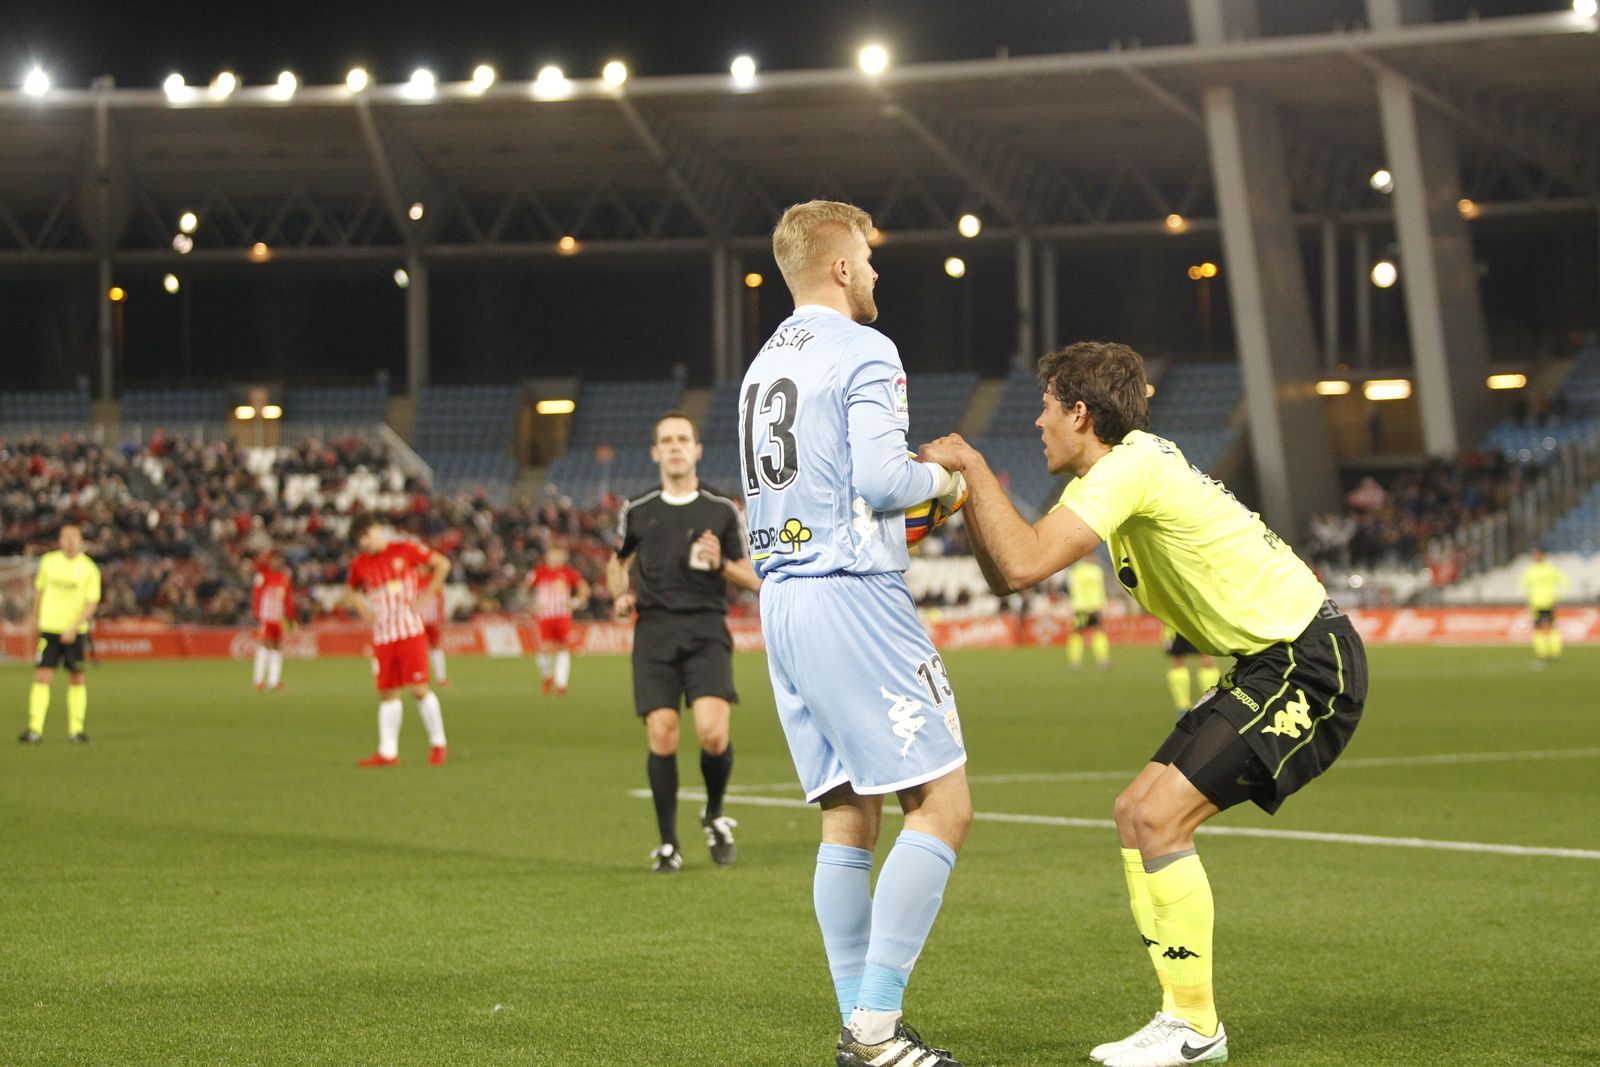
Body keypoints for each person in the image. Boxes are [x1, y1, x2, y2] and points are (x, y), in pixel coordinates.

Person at [920, 341, 1367, 1067]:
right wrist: (971, 498)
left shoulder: (1126, 468)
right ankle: (1179, 1015)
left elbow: (1026, 559)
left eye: (1045, 407)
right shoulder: (1126, 465)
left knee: (1159, 816)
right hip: (1267, 662)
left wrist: (971, 466)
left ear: (1080, 412)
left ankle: (1196, 1025)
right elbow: (1008, 576)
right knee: (1135, 811)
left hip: (1309, 663)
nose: (1036, 423)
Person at [744, 200, 973, 1067]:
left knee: (849, 816)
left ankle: (859, 1028)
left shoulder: (764, 363)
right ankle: (876, 1027)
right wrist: (945, 480)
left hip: (784, 603)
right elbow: (882, 479)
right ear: (840, 267)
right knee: (944, 806)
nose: (875, 274)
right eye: (869, 259)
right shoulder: (866, 349)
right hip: (852, 596)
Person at [607, 412, 761, 872]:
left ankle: (713, 813)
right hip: (653, 629)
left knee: (714, 735)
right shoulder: (637, 509)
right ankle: (669, 843)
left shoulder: (721, 509)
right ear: (655, 452)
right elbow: (618, 561)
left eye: (683, 440)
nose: (675, 447)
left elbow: (751, 577)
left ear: (697, 450)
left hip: (706, 628)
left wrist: (721, 565)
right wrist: (619, 593)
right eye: (666, 441)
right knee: (663, 734)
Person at [345, 516, 451, 767]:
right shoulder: (360, 564)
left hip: (409, 632)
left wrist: (427, 596)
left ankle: (438, 743)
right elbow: (351, 590)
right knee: (387, 693)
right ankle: (388, 751)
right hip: (383, 636)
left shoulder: (404, 549)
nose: (364, 542)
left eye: (366, 535)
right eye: (360, 540)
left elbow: (442, 564)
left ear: (377, 530)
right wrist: (362, 609)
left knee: (418, 689)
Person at [19, 524, 100, 745]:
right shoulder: (49, 562)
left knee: (76, 677)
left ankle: (76, 730)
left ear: (81, 540)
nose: (71, 541)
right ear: (60, 540)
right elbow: (40, 592)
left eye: (75, 537)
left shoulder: (89, 568)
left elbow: (92, 603)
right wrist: (34, 619)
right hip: (50, 629)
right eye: (66, 537)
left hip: (75, 631)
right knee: (42, 676)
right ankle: (34, 729)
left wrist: (73, 628)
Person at [527, 541, 589, 695]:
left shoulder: (569, 573)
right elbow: (525, 591)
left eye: (558, 555)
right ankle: (547, 675)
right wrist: (532, 604)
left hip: (562, 616)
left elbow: (584, 589)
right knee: (544, 649)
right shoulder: (538, 573)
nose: (555, 558)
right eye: (552, 554)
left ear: (563, 557)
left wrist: (575, 602)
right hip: (545, 616)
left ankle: (561, 684)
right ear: (547, 556)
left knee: (563, 647)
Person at [251, 549, 295, 691]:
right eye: (275, 559)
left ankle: (274, 680)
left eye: (279, 560)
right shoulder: (264, 575)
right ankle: (258, 679)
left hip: (278, 618)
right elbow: (257, 595)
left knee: (277, 648)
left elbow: (287, 599)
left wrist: (290, 615)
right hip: (267, 617)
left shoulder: (284, 578)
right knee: (265, 646)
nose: (277, 562)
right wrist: (257, 613)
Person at [1520, 547, 1568, 664]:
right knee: (1538, 629)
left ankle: (1555, 652)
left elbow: (1565, 582)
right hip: (1536, 604)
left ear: (1544, 555)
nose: (1536, 556)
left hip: (1548, 603)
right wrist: (1528, 595)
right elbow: (1523, 584)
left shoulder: (1550, 569)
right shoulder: (1530, 570)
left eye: (1538, 554)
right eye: (1535, 555)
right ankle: (1542, 653)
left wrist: (1559, 595)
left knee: (1552, 628)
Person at [1161, 625, 1220, 719]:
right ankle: (1182, 707)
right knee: (1178, 659)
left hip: (1197, 623)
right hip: (1175, 624)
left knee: (1206, 658)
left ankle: (1210, 701)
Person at [1067, 556, 1113, 670]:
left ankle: (1103, 659)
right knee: (1077, 633)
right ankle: (1075, 661)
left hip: (1096, 607)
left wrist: (1102, 604)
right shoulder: (1078, 570)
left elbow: (1100, 589)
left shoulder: (1097, 570)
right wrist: (1083, 606)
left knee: (1099, 631)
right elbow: (1076, 589)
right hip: (1082, 608)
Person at [417, 582, 450, 687]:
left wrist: (441, 616)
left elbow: (441, 599)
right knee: (415, 648)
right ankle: (417, 677)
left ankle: (441, 677)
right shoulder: (412, 576)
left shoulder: (434, 578)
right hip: (416, 620)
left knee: (435, 646)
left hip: (432, 620)